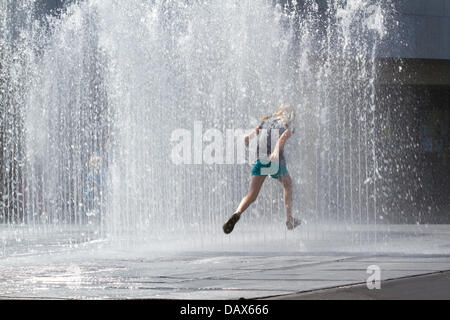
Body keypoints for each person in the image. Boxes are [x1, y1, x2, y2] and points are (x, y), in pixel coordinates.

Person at [223, 103, 302, 234]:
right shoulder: (288, 124)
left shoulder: (267, 121)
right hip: (274, 161)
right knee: (288, 184)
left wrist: (248, 138)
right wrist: (276, 152)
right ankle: (289, 220)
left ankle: (237, 212)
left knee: (251, 195)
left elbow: (252, 134)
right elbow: (283, 137)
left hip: (261, 160)